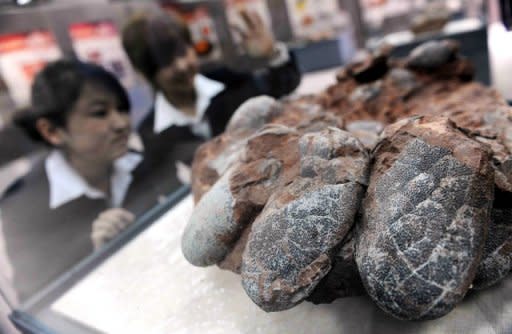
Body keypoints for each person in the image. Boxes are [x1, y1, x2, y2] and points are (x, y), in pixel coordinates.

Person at [0, 60, 176, 303]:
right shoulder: (24, 208)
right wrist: (94, 256)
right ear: (52, 131)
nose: (121, 123)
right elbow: (37, 304)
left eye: (122, 108)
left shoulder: (139, 163)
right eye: (100, 113)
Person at [121, 10, 301, 172]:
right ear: (146, 73)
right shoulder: (151, 133)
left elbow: (282, 86)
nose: (181, 66)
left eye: (182, 51)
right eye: (166, 62)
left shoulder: (230, 81)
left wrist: (270, 55)